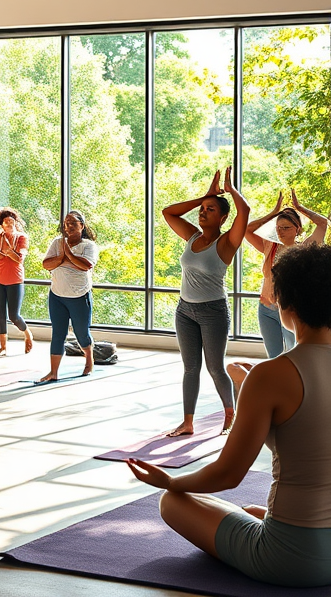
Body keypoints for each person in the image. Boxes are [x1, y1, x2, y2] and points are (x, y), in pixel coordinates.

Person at [127, 243, 331, 589]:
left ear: (286, 303)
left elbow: (228, 474)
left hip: (294, 559)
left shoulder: (271, 375)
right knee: (251, 511)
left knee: (173, 503)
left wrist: (172, 482)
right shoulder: (270, 374)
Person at [163, 167, 249, 436]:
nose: (203, 212)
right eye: (202, 208)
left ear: (223, 218)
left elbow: (244, 212)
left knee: (214, 367)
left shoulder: (227, 243)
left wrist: (230, 190)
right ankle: (187, 422)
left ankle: (230, 414)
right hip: (185, 310)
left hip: (213, 311)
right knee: (191, 368)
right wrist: (205, 195)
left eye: (211, 209)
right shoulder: (191, 236)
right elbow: (169, 212)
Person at [242, 189, 327, 359]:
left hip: (292, 309)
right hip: (266, 308)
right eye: (278, 227)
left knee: (292, 355)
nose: (280, 231)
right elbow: (246, 230)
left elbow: (323, 223)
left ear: (297, 229)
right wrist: (274, 213)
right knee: (273, 356)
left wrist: (299, 207)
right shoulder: (270, 246)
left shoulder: (305, 249)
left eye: (286, 228)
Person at [39, 210, 100, 382]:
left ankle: (89, 359)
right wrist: (62, 257)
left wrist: (68, 256)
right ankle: (53, 372)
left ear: (82, 225)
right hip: (57, 295)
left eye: (74, 223)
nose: (69, 226)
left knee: (82, 333)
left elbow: (85, 265)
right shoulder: (57, 243)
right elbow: (46, 264)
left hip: (79, 296)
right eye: (66, 223)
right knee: (58, 334)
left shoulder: (88, 246)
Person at [0, 207, 34, 358]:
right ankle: (3, 347)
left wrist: (8, 251)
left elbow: (19, 259)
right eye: (6, 222)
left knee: (14, 316)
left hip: (15, 280)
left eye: (11, 221)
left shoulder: (22, 238)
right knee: (0, 315)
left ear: (15, 223)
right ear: (1, 225)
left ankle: (27, 334)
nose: (9, 224)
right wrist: (4, 251)